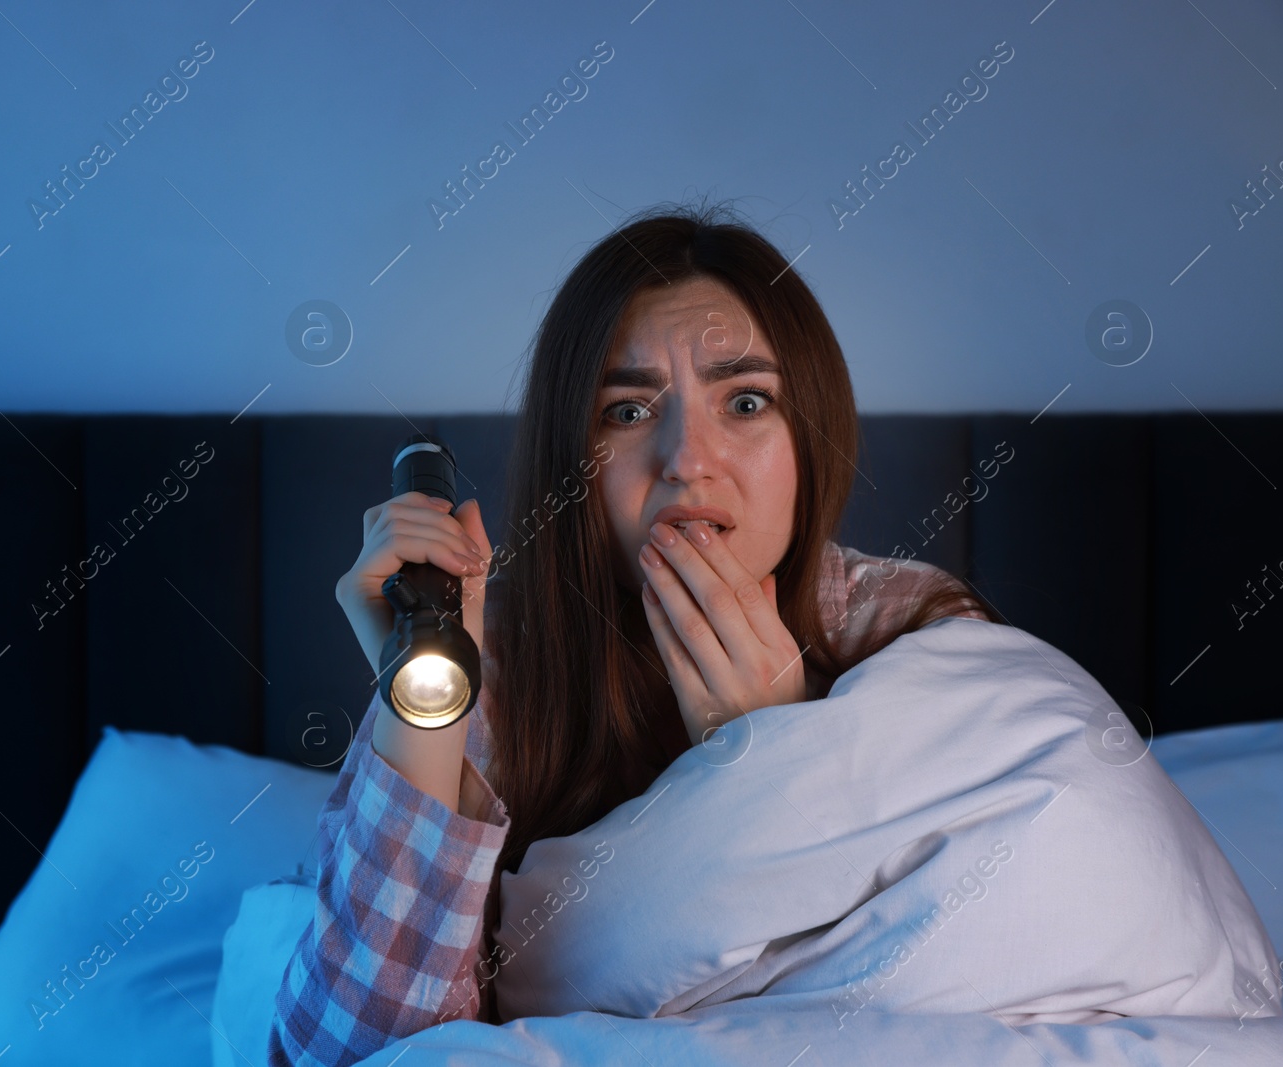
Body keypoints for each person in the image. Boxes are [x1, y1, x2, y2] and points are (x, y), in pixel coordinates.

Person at [268, 200, 1001, 1066]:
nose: (688, 458)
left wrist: (773, 753)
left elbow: (968, 969)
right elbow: (349, 1051)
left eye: (748, 400)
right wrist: (425, 696)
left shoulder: (908, 626)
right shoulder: (499, 658)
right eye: (626, 412)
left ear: (812, 437)